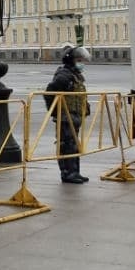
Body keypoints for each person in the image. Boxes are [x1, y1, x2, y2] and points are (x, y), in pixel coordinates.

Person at [45, 44, 92, 183]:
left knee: (74, 144)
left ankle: (75, 171)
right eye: (78, 60)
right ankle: (67, 173)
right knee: (67, 144)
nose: (81, 63)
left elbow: (79, 95)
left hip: (75, 116)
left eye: (82, 60)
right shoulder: (64, 75)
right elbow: (50, 92)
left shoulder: (75, 75)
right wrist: (56, 112)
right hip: (66, 117)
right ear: (70, 60)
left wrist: (85, 108)